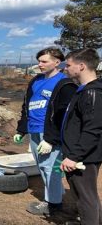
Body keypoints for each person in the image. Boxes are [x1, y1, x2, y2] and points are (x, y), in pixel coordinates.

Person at [13, 47, 77, 216]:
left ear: (57, 62)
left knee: (51, 168)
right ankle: (56, 194)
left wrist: (51, 139)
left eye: (44, 61)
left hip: (49, 133)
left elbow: (65, 115)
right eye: (39, 61)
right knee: (42, 166)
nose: (39, 64)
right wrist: (21, 129)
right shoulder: (35, 81)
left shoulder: (64, 83)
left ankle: (53, 204)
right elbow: (26, 106)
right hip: (34, 130)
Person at [60, 48, 102, 225]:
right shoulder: (84, 90)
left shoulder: (92, 93)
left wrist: (74, 156)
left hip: (83, 157)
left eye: (69, 65)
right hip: (77, 154)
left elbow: (92, 129)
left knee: (86, 197)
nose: (66, 69)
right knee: (81, 194)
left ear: (82, 66)